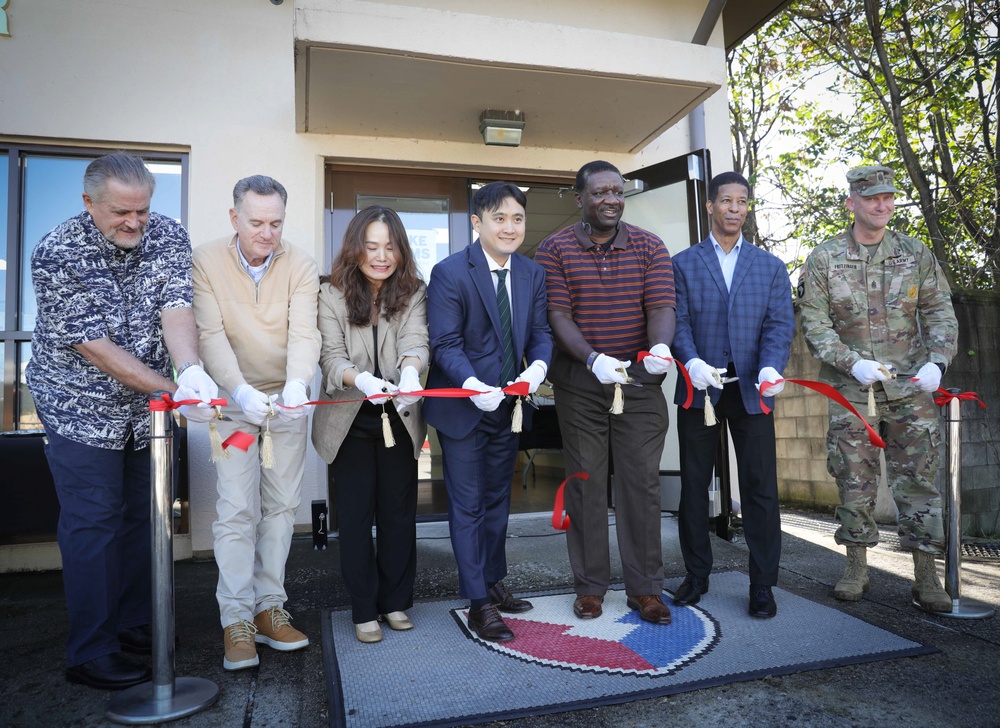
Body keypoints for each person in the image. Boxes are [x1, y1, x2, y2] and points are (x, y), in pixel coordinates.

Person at [26, 153, 219, 689]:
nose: (134, 222)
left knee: (145, 516)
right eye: (120, 212)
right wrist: (176, 389)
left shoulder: (167, 235)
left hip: (147, 412)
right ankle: (90, 649)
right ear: (89, 203)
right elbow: (97, 349)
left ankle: (136, 623)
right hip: (79, 407)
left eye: (142, 210)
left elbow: (176, 307)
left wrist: (191, 367)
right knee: (95, 523)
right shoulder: (56, 252)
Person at [800, 164, 958, 611]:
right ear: (852, 203)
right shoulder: (825, 258)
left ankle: (926, 576)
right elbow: (814, 322)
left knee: (921, 480)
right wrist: (852, 362)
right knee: (853, 479)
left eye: (888, 197)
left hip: (911, 388)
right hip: (852, 391)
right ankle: (856, 568)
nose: (883, 205)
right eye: (872, 198)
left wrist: (938, 362)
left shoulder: (915, 253)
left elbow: (939, 312)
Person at [535, 160, 676, 625]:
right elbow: (557, 315)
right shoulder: (553, 249)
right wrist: (592, 358)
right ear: (579, 198)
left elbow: (660, 304)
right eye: (599, 192)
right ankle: (591, 587)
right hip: (581, 383)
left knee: (641, 485)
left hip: (637, 382)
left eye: (617, 191)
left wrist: (658, 348)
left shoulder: (649, 245)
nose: (611, 199)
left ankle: (646, 589)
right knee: (586, 485)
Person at [192, 175, 321, 669]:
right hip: (233, 406)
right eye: (257, 222)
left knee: (283, 507)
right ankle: (236, 619)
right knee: (235, 508)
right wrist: (240, 391)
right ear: (234, 219)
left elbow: (305, 333)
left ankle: (270, 609)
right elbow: (209, 334)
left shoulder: (302, 265)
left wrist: (297, 383)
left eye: (276, 223)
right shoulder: (205, 261)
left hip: (286, 405)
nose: (268, 233)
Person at [424, 182, 552, 643]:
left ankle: (494, 583)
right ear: (477, 223)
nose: (510, 227)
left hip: (509, 408)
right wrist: (471, 383)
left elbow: (539, 331)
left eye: (517, 218)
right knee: (469, 506)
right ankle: (478, 602)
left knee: (500, 502)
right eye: (499, 218)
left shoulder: (532, 274)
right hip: (463, 407)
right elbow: (445, 344)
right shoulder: (450, 272)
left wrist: (538, 365)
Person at [669, 171, 795, 618]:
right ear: (710, 206)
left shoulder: (770, 266)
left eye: (743, 201)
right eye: (727, 200)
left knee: (761, 487)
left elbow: (780, 325)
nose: (735, 208)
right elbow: (676, 322)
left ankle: (762, 584)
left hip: (751, 391)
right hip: (699, 389)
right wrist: (690, 360)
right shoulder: (682, 263)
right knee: (694, 486)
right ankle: (696, 575)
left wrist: (769, 367)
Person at [311, 206, 429, 644]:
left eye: (390, 247)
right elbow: (330, 357)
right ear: (355, 248)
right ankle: (364, 607)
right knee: (357, 517)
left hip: (398, 416)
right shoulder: (330, 292)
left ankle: (396, 601)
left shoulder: (415, 291)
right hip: (349, 419)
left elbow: (417, 340)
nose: (381, 256)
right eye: (371, 246)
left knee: (399, 515)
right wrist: (359, 379)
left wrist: (412, 372)